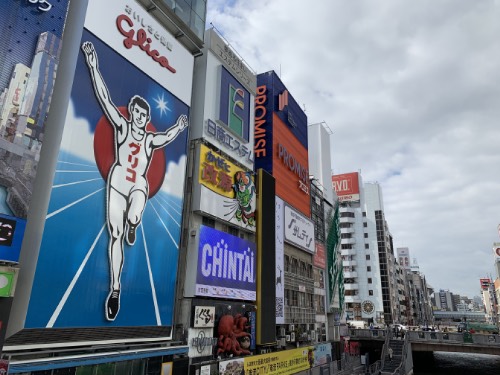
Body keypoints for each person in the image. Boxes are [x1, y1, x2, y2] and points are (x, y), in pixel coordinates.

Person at [82, 41, 188, 321]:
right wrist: (93, 67)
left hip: (138, 184)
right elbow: (104, 98)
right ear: (132, 112)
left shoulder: (150, 139)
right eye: (136, 113)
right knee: (114, 237)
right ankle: (115, 289)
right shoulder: (122, 127)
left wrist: (178, 127)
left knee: (138, 202)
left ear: (148, 117)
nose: (139, 118)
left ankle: (134, 222)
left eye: (144, 115)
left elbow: (165, 137)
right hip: (117, 183)